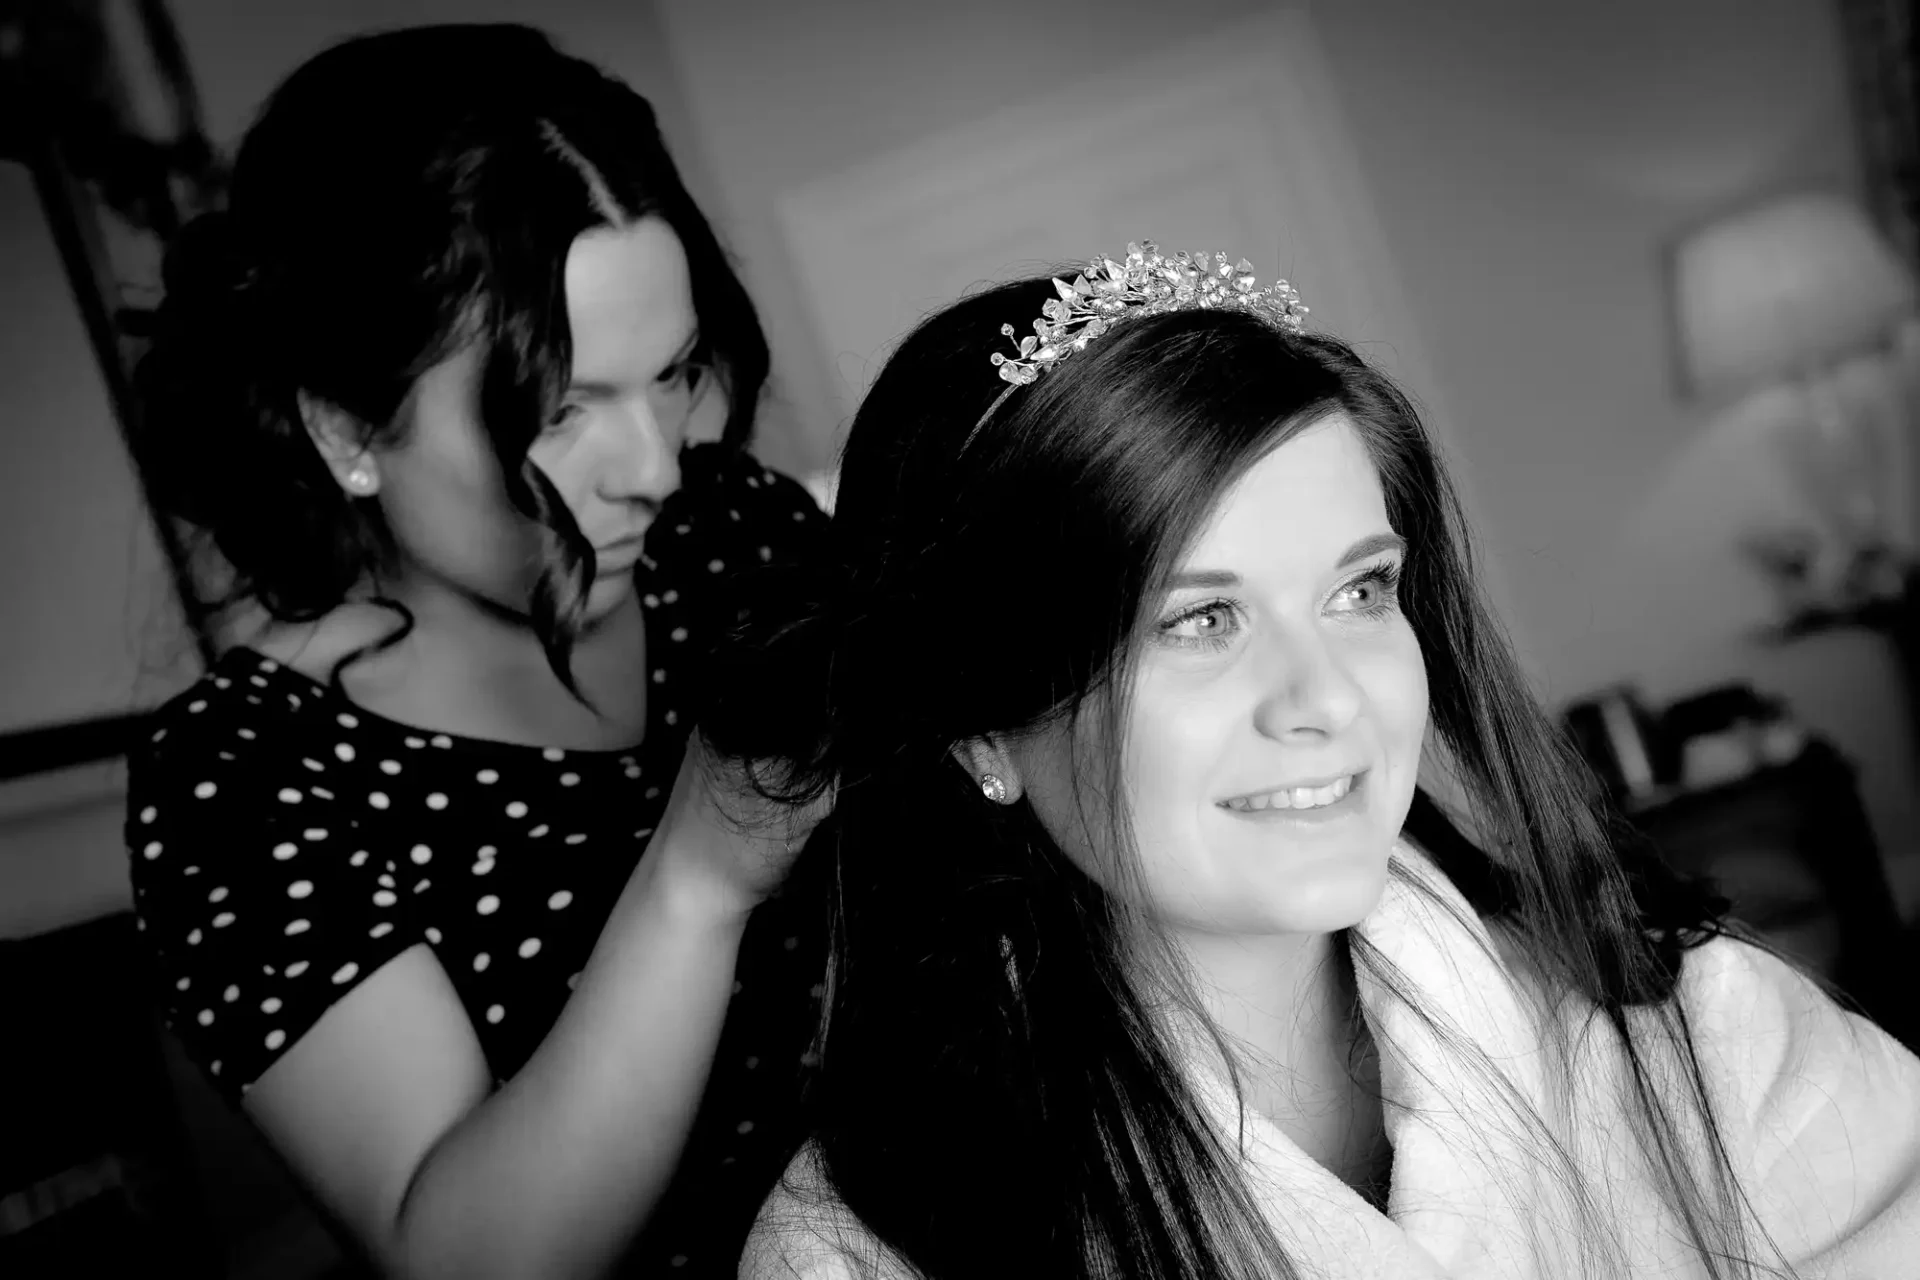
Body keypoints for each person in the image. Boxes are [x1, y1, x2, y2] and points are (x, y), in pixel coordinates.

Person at [714, 243, 1920, 1279]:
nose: (1327, 698)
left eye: (1359, 588)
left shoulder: (1669, 1011)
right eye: (1200, 619)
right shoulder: (864, 1250)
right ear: (982, 727)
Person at [122, 25, 828, 1280]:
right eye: (559, 409)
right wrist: (700, 872)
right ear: (349, 428)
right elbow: (468, 1258)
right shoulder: (244, 774)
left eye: (670, 376)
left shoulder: (732, 534)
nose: (656, 466)